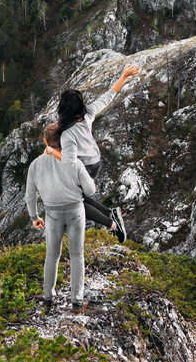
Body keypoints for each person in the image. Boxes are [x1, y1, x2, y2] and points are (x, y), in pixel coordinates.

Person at [44, 63, 140, 243]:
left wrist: (50, 151)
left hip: (84, 166)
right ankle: (110, 212)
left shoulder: (67, 134)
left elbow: (69, 161)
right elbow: (109, 95)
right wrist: (124, 76)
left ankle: (112, 224)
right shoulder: (88, 115)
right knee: (80, 195)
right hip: (95, 162)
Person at [26, 129, 96, 309]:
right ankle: (77, 301)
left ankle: (48, 298)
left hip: (52, 214)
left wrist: (34, 217)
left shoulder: (35, 165)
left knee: (52, 256)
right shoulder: (74, 163)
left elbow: (30, 196)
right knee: (77, 256)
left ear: (44, 141)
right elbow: (90, 191)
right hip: (75, 212)